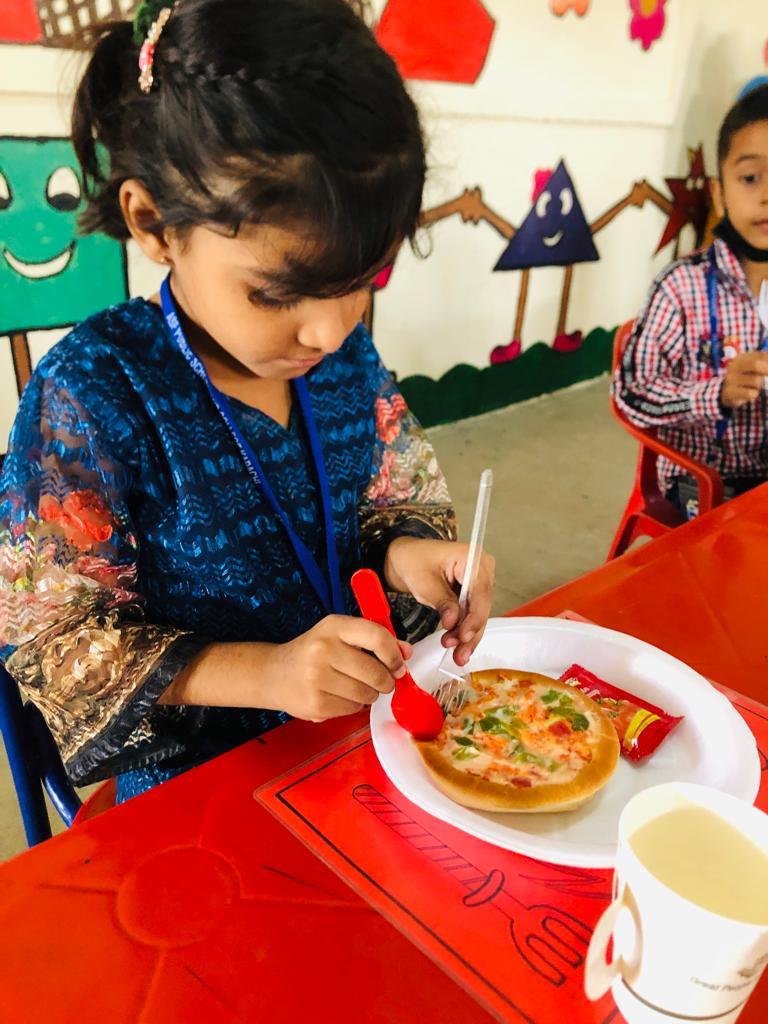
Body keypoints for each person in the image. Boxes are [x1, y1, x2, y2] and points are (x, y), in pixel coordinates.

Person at [0, 0, 494, 802]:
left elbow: (384, 510)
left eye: (361, 280)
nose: (331, 330)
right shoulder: (92, 394)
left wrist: (410, 559)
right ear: (153, 223)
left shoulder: (345, 360)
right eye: (277, 293)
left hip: (366, 742)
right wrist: (268, 673)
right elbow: (57, 647)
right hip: (203, 788)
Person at [613, 84, 768, 518]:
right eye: (750, 178)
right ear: (719, 194)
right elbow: (632, 394)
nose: (766, 195)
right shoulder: (681, 287)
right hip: (704, 483)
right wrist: (716, 393)